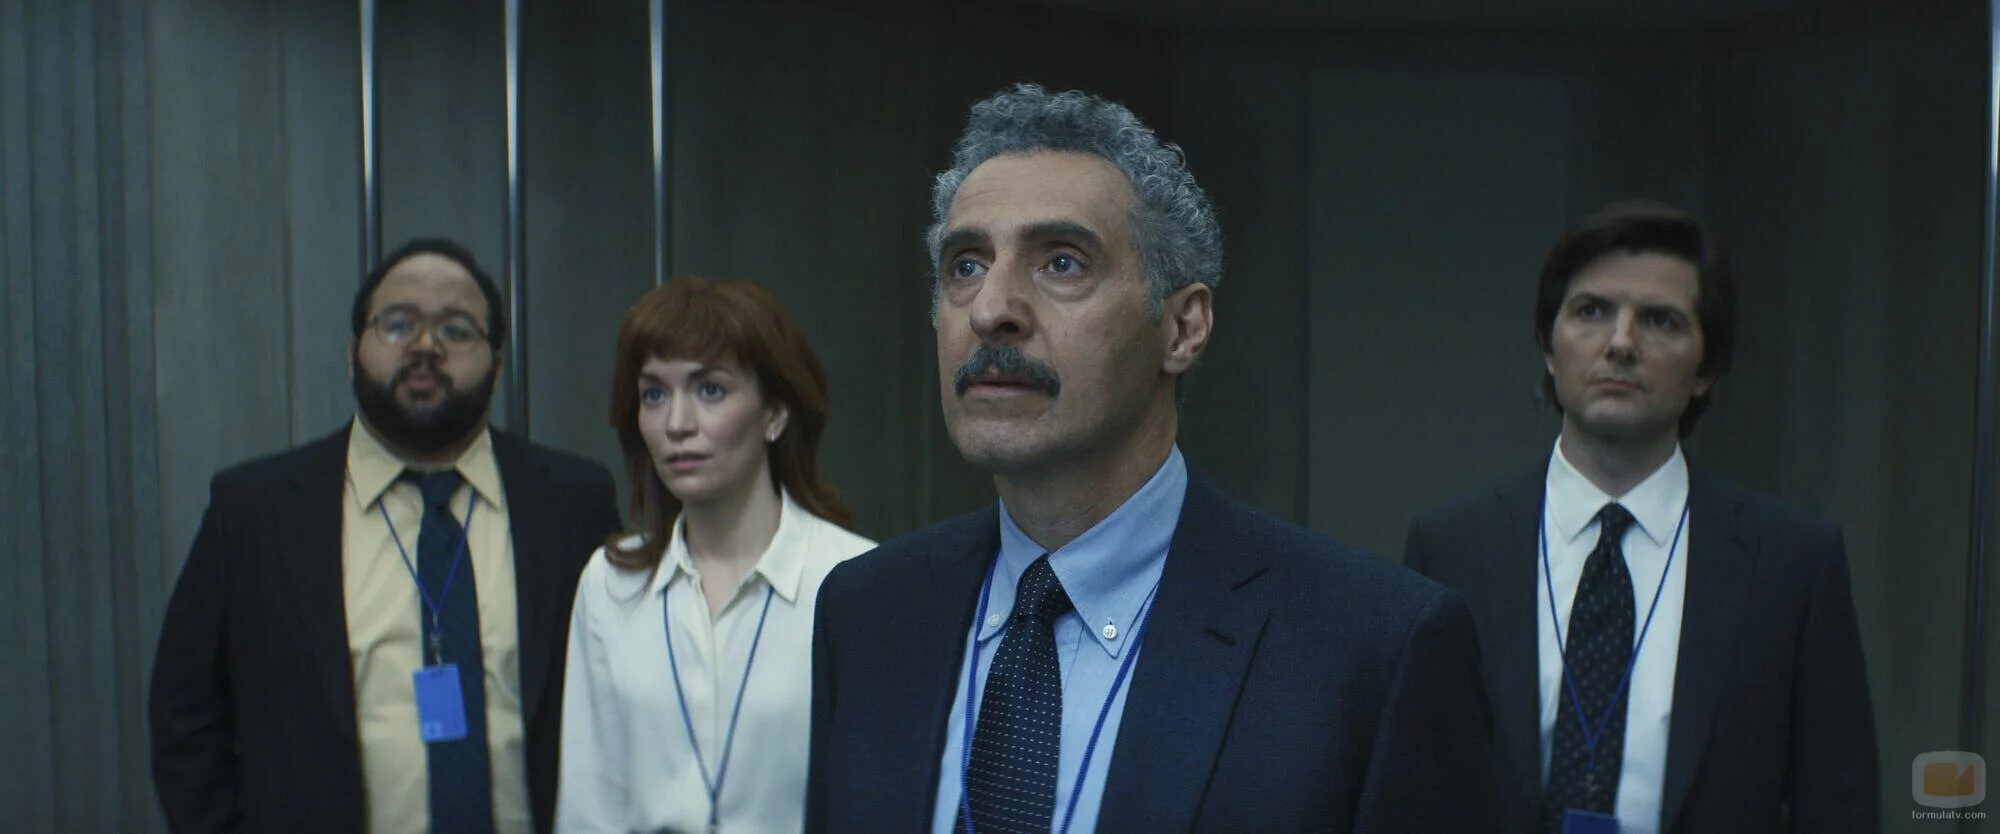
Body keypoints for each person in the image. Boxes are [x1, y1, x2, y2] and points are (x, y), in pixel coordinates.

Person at [806, 83, 1502, 833]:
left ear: (1183, 328)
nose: (991, 309)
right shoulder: (868, 613)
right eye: (966, 266)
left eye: (1061, 262)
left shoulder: (1371, 647)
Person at [1402, 201, 1881, 834]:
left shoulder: (1792, 564)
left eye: (1659, 320)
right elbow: (1411, 788)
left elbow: (1840, 806)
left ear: (1707, 369)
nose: (1621, 343)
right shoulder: (1451, 548)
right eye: (1591, 311)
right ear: (1548, 346)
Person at [148, 238, 624, 834]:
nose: (425, 346)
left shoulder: (572, 501)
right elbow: (185, 714)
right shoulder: (254, 512)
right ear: (353, 354)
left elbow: (625, 698)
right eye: (397, 324)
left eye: (456, 330)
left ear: (497, 367)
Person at [556, 276, 875, 833]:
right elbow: (590, 805)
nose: (677, 424)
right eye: (654, 395)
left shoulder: (854, 580)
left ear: (774, 413)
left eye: (710, 390)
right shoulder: (610, 582)